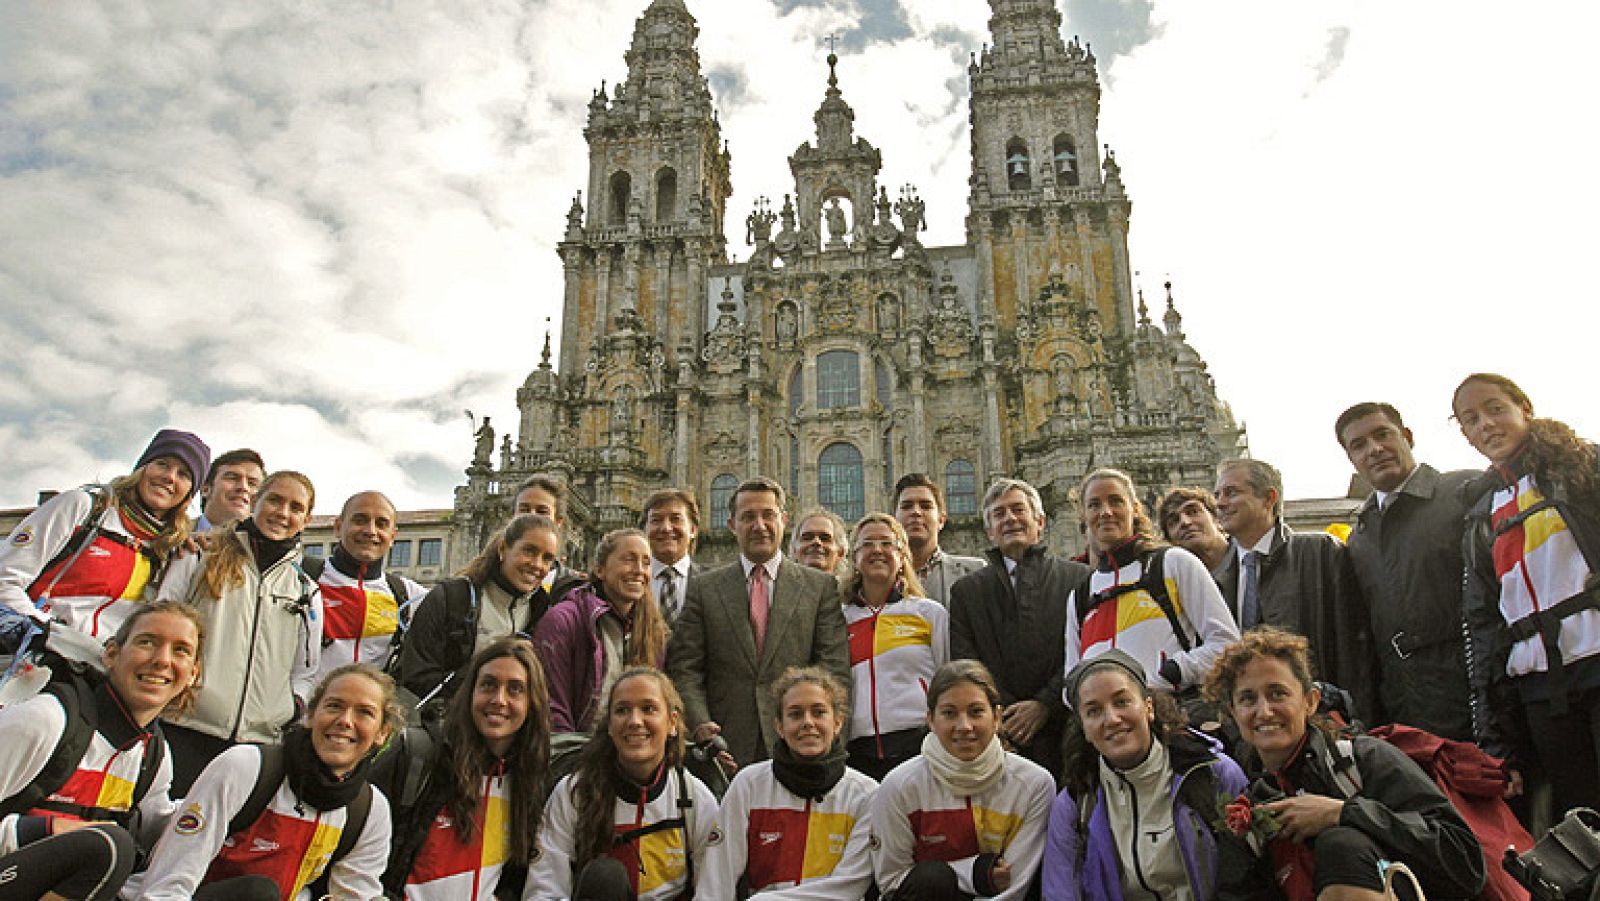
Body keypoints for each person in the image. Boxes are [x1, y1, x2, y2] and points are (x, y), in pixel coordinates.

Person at [1203, 627, 1485, 900]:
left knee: (1340, 847)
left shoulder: (1364, 760)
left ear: (1310, 701)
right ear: (1233, 713)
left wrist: (1343, 814)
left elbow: (1465, 862)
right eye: (1248, 699)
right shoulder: (1250, 812)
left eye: (1278, 693)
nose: (1264, 712)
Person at [1455, 373, 1600, 816]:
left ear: (1525, 408)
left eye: (1496, 409)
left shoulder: (1584, 468)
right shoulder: (1481, 513)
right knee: (1583, 824)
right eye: (1472, 419)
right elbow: (1483, 630)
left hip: (1596, 663)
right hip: (1540, 691)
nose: (1487, 426)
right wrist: (1499, 741)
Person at [140, 664, 401, 901]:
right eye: (334, 706)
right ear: (310, 716)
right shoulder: (245, 767)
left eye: (364, 713)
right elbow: (166, 885)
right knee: (259, 893)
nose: (345, 721)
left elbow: (356, 895)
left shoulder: (369, 810)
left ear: (382, 733)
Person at [0, 601, 201, 901]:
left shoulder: (154, 756)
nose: (162, 660)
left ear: (194, 674)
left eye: (180, 650)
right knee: (108, 848)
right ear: (111, 654)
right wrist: (50, 828)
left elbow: (161, 845)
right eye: (147, 642)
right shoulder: (46, 719)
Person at [666, 477, 851, 768]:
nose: (759, 525)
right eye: (748, 517)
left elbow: (833, 669)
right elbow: (685, 668)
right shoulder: (704, 588)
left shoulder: (820, 588)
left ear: (784, 520)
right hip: (724, 746)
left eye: (768, 515)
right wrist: (700, 724)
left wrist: (825, 732)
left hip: (800, 744)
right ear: (732, 525)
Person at [156, 469, 321, 795]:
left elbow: (307, 670)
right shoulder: (201, 554)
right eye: (274, 500)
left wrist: (290, 708)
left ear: (306, 519)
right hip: (184, 729)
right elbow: (159, 621)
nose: (282, 513)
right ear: (256, 502)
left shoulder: (306, 589)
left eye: (295, 507)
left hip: (258, 745)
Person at [1043, 650, 1247, 899]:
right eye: (1094, 711)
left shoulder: (1213, 774)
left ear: (1148, 707)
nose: (1112, 719)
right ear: (1084, 728)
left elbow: (1247, 881)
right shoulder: (1075, 804)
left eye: (1121, 702)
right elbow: (1060, 892)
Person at [1336, 401, 1477, 741]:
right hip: (1405, 705)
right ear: (1352, 459)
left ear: (1407, 437)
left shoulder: (1465, 492)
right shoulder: (1360, 536)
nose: (1375, 450)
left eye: (1382, 435)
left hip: (1474, 691)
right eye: (1359, 445)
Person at [376, 637, 552, 901]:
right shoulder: (418, 755)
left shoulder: (533, 782)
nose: (499, 700)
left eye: (515, 689)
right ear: (470, 692)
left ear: (532, 703)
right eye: (488, 685)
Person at [0, 428, 208, 649]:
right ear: (142, 468)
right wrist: (51, 635)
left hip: (104, 670)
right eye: (162, 464)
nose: (169, 477)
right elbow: (5, 580)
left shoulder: (171, 550)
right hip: (37, 657)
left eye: (184, 474)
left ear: (190, 492)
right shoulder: (84, 508)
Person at [525, 667, 718, 901]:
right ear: (609, 725)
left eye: (648, 709)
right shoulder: (575, 793)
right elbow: (544, 890)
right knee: (606, 876)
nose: (635, 721)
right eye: (622, 710)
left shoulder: (692, 797)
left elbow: (714, 891)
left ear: (672, 723)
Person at [870, 659, 1055, 900]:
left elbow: (1012, 888)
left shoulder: (1035, 785)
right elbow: (892, 882)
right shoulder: (899, 786)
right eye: (949, 713)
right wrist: (976, 872)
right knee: (932, 878)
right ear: (930, 720)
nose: (964, 726)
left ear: (997, 717)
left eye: (976, 712)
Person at [1212, 459, 1380, 722]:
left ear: (1269, 498)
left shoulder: (1320, 552)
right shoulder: (1218, 579)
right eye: (1217, 495)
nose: (1220, 503)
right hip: (1254, 725)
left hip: (1323, 720)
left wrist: (1357, 715)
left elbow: (1355, 646)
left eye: (1232, 493)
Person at [949, 477, 1089, 777]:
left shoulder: (1078, 579)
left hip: (1067, 729)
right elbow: (966, 661)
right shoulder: (967, 592)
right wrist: (1002, 713)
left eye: (1018, 510)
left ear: (1039, 521)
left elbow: (1085, 652)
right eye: (999, 514)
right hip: (999, 733)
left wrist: (1043, 704)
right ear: (988, 531)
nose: (1010, 519)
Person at [700, 666, 877, 899]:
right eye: (795, 714)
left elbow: (848, 887)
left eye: (818, 712)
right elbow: (716, 881)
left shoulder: (867, 794)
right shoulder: (749, 784)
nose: (807, 723)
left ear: (838, 723)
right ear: (779, 727)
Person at [1064, 469, 1237, 696]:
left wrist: (1170, 674)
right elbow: (1071, 681)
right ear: (1084, 517)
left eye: (1116, 501)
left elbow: (1227, 646)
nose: (1106, 512)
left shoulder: (1173, 562)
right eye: (1094, 505)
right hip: (1106, 727)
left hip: (1172, 715)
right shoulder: (1079, 595)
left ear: (1135, 509)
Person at [399, 513, 578, 708]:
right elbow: (416, 674)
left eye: (547, 559)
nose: (537, 565)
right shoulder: (452, 598)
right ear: (503, 549)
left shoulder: (543, 611)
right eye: (529, 551)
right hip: (448, 723)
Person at [841, 512, 948, 781]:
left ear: (902, 557)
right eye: (867, 544)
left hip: (918, 744)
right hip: (857, 750)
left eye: (887, 543)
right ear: (854, 559)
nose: (877, 550)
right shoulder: (838, 619)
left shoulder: (928, 613)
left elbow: (947, 679)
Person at [533, 528, 670, 734]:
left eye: (646, 562)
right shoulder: (563, 621)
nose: (639, 570)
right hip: (575, 755)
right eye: (628, 560)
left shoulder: (653, 631)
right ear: (599, 570)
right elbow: (552, 709)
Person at [313, 490, 429, 681]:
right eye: (360, 520)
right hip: (304, 709)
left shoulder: (410, 597)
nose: (370, 531)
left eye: (381, 524)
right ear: (338, 527)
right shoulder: (303, 579)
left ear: (392, 537)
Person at [894, 472, 984, 607]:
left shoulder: (975, 573)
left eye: (925, 506)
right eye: (907, 506)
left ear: (941, 520)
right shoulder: (877, 579)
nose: (916, 512)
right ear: (893, 520)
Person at [641, 489, 701, 626]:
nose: (666, 528)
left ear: (693, 530)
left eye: (675, 519)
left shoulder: (713, 585)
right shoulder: (630, 583)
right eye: (656, 520)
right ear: (645, 530)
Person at [1156, 487, 1230, 574]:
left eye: (1193, 512)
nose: (1185, 522)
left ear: (1217, 518)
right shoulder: (1177, 583)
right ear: (1170, 541)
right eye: (1174, 521)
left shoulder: (1247, 555)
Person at [195, 448, 265, 532]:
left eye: (252, 483)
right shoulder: (176, 533)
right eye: (232, 478)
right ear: (205, 489)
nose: (243, 487)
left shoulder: (268, 544)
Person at [790, 507, 848, 576]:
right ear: (794, 550)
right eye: (807, 538)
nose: (816, 541)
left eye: (824, 538)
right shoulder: (778, 586)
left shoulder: (850, 587)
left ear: (840, 553)